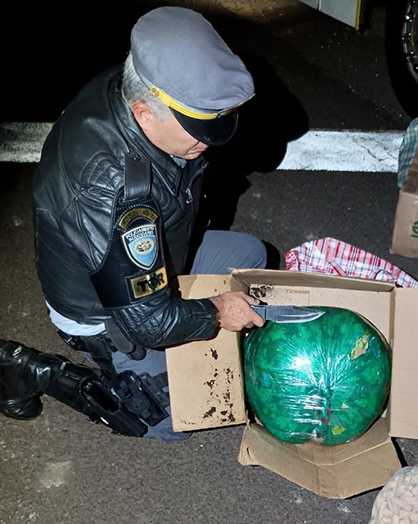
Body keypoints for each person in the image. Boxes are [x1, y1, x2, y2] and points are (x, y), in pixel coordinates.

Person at [0, 6, 268, 442]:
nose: (208, 139)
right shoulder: (114, 189)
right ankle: (37, 371)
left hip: (156, 256)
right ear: (144, 113)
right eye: (198, 127)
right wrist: (217, 311)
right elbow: (150, 323)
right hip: (101, 311)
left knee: (250, 256)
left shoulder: (132, 83)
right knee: (176, 420)